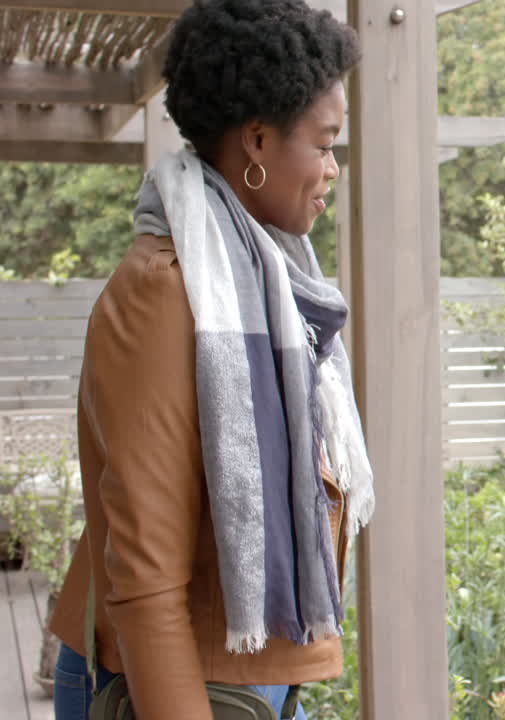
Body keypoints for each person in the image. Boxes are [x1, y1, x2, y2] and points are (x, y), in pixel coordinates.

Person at [46, 1, 374, 718]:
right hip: (167, 682)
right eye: (324, 144)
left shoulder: (270, 285)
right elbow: (143, 576)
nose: (333, 169)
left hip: (234, 679)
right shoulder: (166, 295)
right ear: (257, 140)